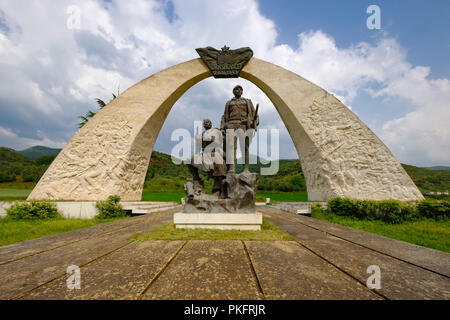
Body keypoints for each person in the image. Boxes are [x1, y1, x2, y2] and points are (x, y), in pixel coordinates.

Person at [221, 85, 259, 173]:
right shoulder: (229, 103)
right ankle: (232, 168)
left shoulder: (247, 102)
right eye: (236, 89)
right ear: (233, 91)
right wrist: (222, 127)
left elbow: (254, 115)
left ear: (242, 91)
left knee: (244, 147)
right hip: (231, 124)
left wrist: (254, 123)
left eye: (240, 89)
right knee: (231, 147)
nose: (238, 90)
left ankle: (245, 168)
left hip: (244, 125)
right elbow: (224, 116)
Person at [187, 119, 227, 198]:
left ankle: (222, 191)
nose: (207, 124)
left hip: (215, 152)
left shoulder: (216, 131)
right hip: (205, 154)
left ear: (211, 124)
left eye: (208, 122)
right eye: (205, 123)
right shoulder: (202, 134)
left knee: (219, 169)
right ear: (203, 125)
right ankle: (197, 178)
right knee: (189, 159)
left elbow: (218, 141)